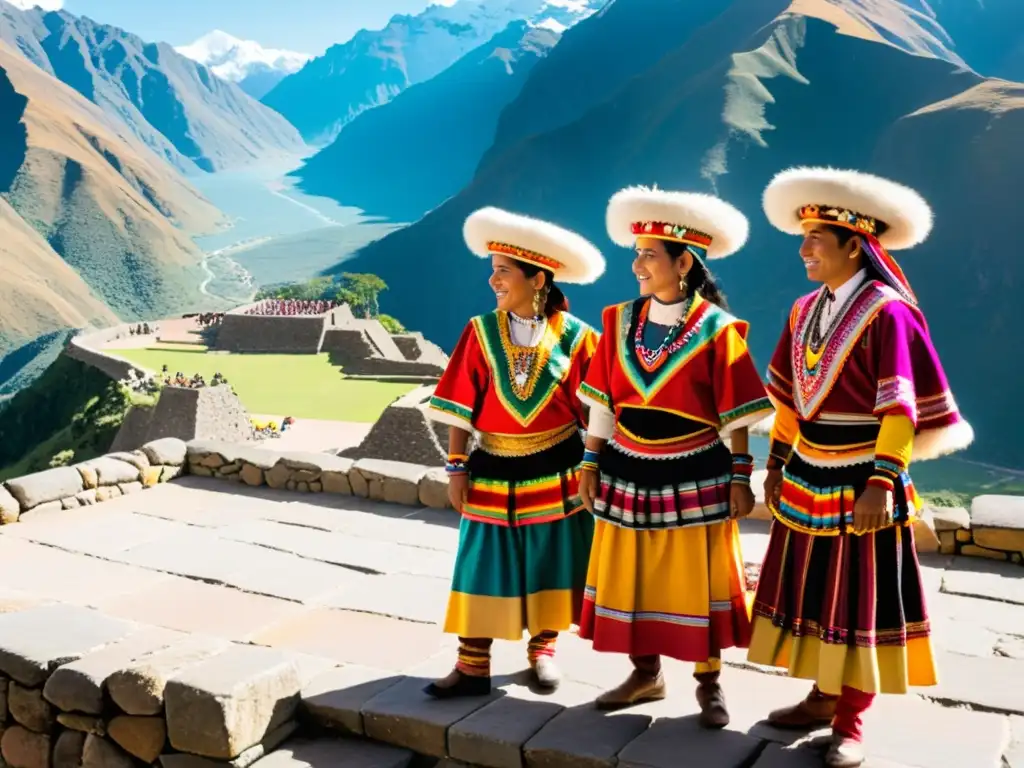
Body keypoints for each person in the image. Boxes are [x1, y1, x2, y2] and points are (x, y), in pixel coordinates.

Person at [748, 167, 974, 767]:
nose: (804, 251)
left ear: (857, 244)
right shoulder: (803, 311)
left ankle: (851, 723)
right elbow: (787, 400)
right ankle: (822, 696)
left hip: (863, 476)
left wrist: (881, 481)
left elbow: (898, 410)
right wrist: (775, 463)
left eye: (817, 239)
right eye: (802, 239)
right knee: (818, 590)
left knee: (860, 598)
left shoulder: (888, 313)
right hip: (807, 472)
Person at [576, 186, 773, 726]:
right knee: (631, 575)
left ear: (683, 262)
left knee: (696, 579)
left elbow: (735, 416)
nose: (637, 264)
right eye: (635, 253)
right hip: (625, 464)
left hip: (696, 469)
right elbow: (603, 403)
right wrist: (590, 463)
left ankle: (708, 684)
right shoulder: (617, 321)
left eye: (649, 254)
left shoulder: (718, 330)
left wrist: (740, 477)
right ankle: (646, 673)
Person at [423, 206, 605, 699]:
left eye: (503, 270)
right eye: (494, 269)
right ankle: (472, 665)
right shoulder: (479, 331)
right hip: (491, 466)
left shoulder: (579, 337)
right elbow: (461, 406)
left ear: (537, 278)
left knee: (551, 561)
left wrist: (595, 468)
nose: (493, 280)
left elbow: (596, 411)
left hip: (557, 469)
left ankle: (542, 651)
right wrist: (456, 466)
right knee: (481, 562)